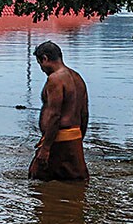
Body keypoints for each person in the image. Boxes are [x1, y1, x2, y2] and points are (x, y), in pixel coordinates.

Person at [29, 41, 89, 181]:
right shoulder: (77, 77)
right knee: (76, 182)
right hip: (75, 138)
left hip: (57, 140)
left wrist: (46, 148)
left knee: (36, 180)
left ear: (44, 59)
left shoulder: (55, 79)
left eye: (40, 64)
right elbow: (84, 113)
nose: (42, 69)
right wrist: (79, 139)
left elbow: (55, 115)